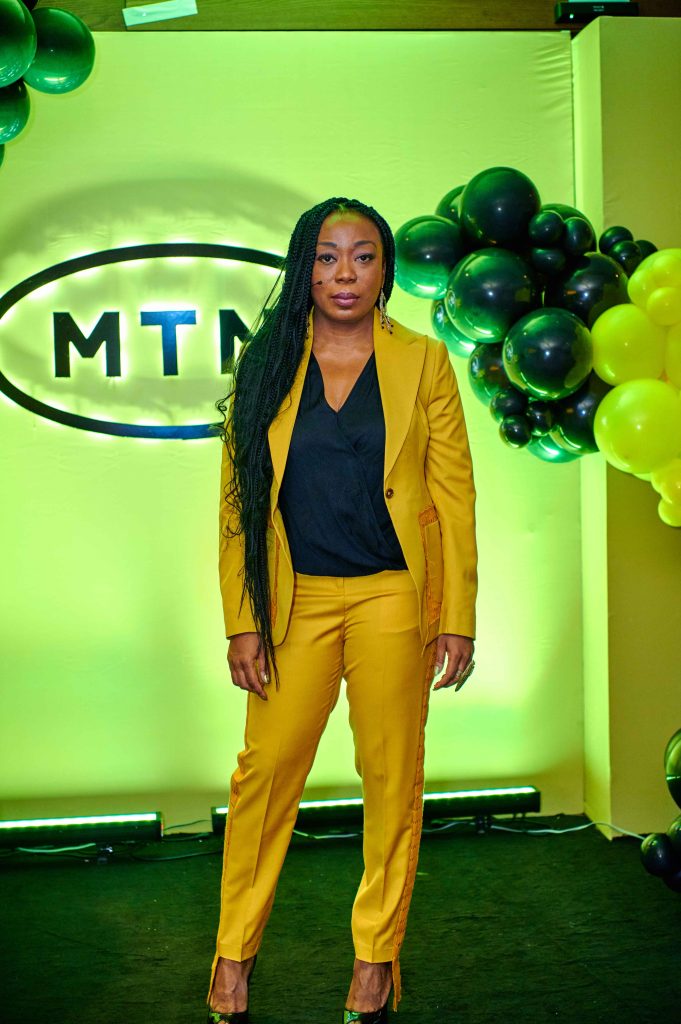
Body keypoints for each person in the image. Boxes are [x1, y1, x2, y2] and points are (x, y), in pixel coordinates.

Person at [206, 197, 478, 1023]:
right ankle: (233, 955)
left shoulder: (424, 361)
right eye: (327, 257)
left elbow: (452, 495)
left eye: (362, 256)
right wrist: (242, 618)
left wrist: (457, 614)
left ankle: (374, 962)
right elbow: (236, 502)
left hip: (393, 595)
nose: (344, 274)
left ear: (385, 269)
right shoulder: (266, 362)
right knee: (263, 777)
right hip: (294, 601)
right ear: (305, 268)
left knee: (393, 779)